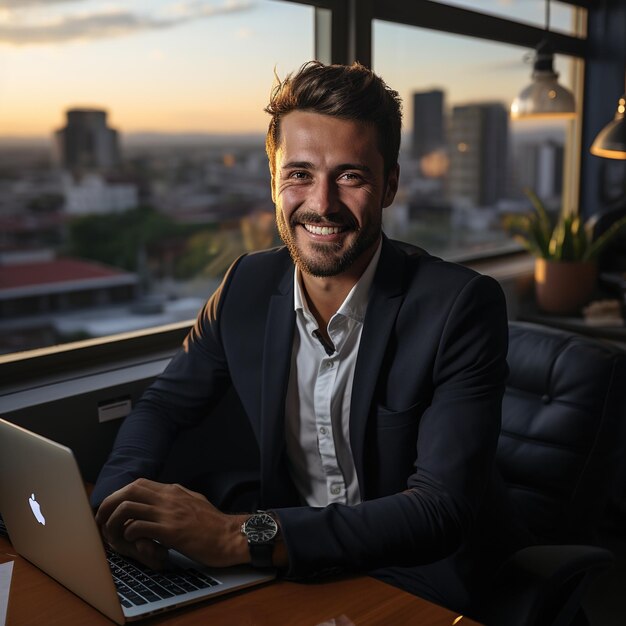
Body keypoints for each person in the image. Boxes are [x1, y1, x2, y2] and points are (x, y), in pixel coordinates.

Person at [92, 60, 530, 614]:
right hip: (300, 569)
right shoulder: (246, 285)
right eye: (299, 174)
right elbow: (162, 407)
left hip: (427, 582)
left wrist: (236, 535)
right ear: (272, 180)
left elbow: (438, 511)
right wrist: (115, 505)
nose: (321, 204)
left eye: (351, 176)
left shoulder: (460, 307)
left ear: (390, 184)